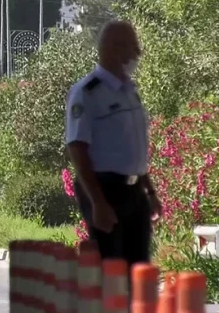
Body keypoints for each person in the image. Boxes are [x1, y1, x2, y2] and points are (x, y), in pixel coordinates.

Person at [65, 20, 163, 267]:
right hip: (104, 190)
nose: (138, 54)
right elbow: (77, 149)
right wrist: (98, 202)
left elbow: (134, 151)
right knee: (112, 270)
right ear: (114, 49)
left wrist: (149, 191)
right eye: (133, 47)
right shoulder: (88, 93)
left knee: (139, 267)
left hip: (134, 190)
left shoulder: (129, 91)